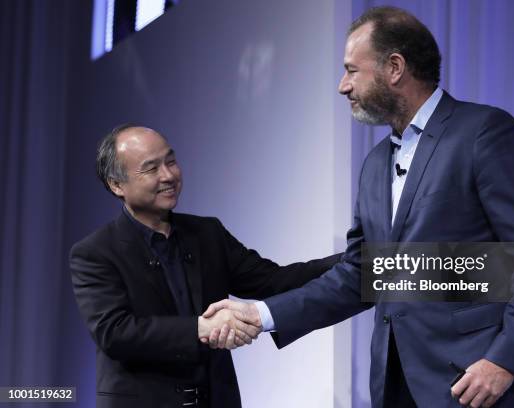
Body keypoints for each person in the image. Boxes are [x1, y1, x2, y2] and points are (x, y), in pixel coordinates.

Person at [203, 6, 514, 408]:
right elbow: (360, 275)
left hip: (476, 382)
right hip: (396, 385)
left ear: (395, 68)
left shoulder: (482, 132)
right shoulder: (376, 162)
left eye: (351, 70)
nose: (343, 86)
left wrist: (505, 360)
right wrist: (261, 315)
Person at [70, 124, 340, 408]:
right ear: (117, 185)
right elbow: (115, 333)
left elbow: (275, 280)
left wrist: (359, 262)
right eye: (151, 169)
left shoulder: (207, 233)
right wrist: (201, 327)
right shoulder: (95, 252)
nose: (169, 175)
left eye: (171, 161)